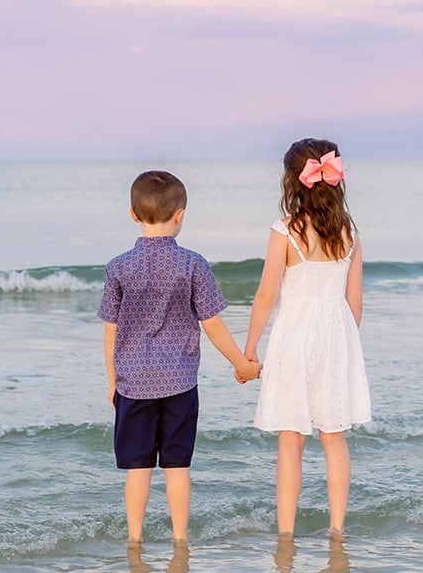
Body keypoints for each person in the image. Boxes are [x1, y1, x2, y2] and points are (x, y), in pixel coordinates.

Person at [101, 170, 261, 543]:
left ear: (133, 214)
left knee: (137, 469)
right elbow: (213, 324)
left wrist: (112, 383)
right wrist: (242, 365)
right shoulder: (192, 264)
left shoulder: (117, 267)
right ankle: (179, 541)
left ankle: (135, 540)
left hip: (133, 383)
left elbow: (110, 331)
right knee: (177, 467)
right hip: (180, 383)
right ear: (180, 215)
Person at [244, 139, 371, 536]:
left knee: (291, 439)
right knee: (334, 438)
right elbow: (354, 300)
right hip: (338, 333)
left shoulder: (285, 231)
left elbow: (266, 295)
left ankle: (286, 532)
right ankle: (337, 528)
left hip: (295, 335)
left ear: (291, 181)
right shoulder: (350, 233)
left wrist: (249, 348)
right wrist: (344, 341)